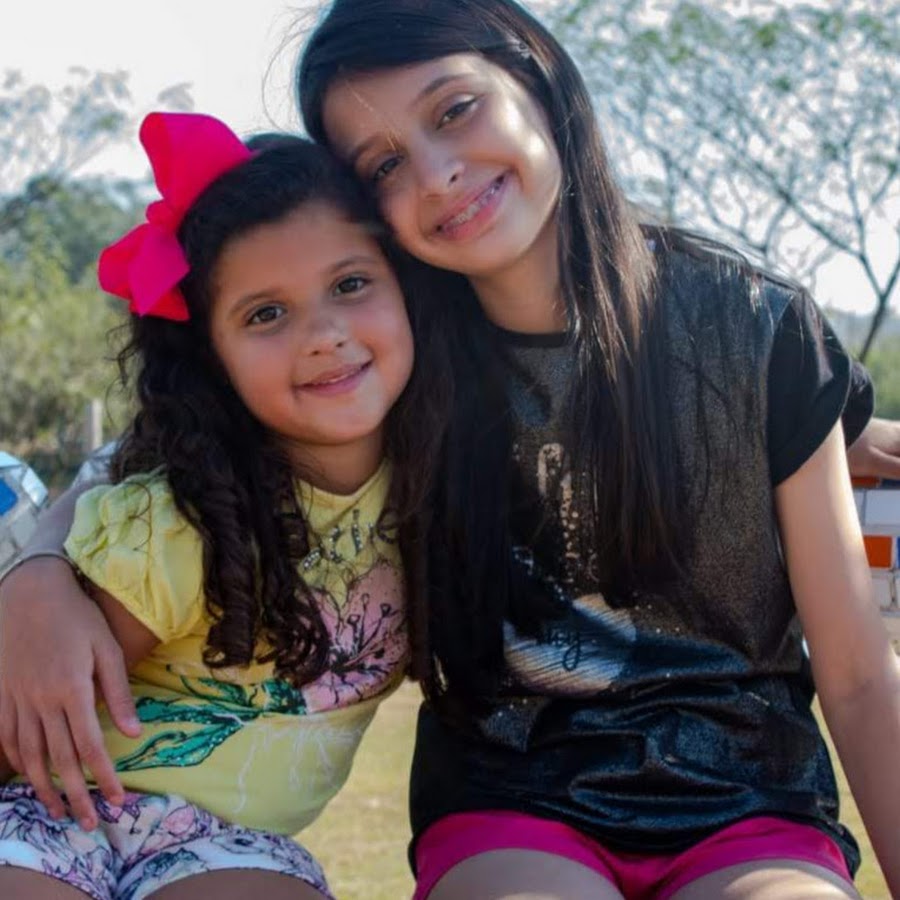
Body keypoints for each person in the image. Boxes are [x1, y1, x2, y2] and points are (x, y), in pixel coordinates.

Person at [1, 2, 899, 898]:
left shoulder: (755, 328)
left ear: (535, 75)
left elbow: (859, 676)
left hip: (751, 803)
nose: (437, 175)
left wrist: (837, 427)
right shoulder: (392, 351)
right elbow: (179, 448)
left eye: (455, 109)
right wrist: (39, 570)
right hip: (516, 799)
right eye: (385, 164)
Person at [0, 111, 438, 899]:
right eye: (265, 313)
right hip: (47, 817)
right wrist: (35, 574)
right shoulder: (188, 522)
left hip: (227, 845)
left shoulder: (445, 489)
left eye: (349, 284)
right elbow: (28, 706)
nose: (324, 333)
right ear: (214, 358)